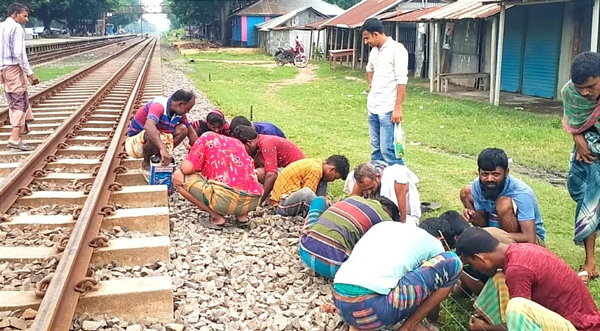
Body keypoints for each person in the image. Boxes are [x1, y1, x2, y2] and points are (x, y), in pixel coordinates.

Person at [456, 227, 600, 331]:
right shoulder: (520, 250)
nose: (475, 269)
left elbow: (520, 318)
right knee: (500, 278)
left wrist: (487, 328)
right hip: (570, 319)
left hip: (580, 327)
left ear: (480, 257)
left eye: (472, 264)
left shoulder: (517, 269)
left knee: (517, 306)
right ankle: (485, 316)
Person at [333, 221, 463, 331]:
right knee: (453, 262)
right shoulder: (434, 245)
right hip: (374, 309)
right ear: (440, 238)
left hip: (340, 302)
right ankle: (408, 327)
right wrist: (433, 317)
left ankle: (358, 325)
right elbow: (435, 284)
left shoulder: (386, 226)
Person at [561, 52, 600, 284]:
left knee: (591, 197)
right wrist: (579, 138)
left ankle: (590, 262)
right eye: (581, 87)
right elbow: (574, 121)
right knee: (584, 193)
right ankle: (590, 259)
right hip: (587, 154)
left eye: (591, 86)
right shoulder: (570, 92)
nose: (585, 92)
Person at [172, 132, 263, 229]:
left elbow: (186, 169)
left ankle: (217, 217)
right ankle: (242, 217)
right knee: (242, 177)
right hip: (251, 201)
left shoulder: (205, 139)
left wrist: (191, 155)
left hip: (224, 200)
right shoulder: (237, 142)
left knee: (177, 176)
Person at [459, 148, 546, 245]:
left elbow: (529, 239)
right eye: (485, 174)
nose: (489, 179)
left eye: (495, 174)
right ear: (479, 172)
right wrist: (474, 217)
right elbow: (483, 224)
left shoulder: (522, 193)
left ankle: (504, 250)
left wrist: (488, 235)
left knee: (503, 203)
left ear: (506, 172)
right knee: (466, 192)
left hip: (531, 242)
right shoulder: (478, 186)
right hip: (498, 233)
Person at [300, 195, 399, 278]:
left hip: (305, 251)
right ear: (389, 213)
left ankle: (314, 235)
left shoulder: (353, 199)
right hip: (337, 268)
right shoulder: (386, 219)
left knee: (320, 200)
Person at [361, 18, 408, 166]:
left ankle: (403, 180)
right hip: (373, 106)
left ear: (376, 34)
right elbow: (369, 68)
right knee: (376, 149)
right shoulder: (374, 52)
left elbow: (402, 80)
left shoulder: (397, 49)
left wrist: (398, 107)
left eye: (367, 38)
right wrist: (371, 84)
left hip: (388, 108)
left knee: (388, 149)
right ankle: (379, 180)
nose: (366, 42)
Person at [125, 89, 198, 179]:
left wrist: (200, 151)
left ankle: (159, 157)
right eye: (188, 109)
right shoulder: (158, 106)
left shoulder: (179, 112)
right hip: (135, 144)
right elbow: (149, 126)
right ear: (180, 105)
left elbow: (190, 131)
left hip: (154, 139)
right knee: (153, 132)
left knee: (183, 129)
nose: (188, 112)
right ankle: (146, 164)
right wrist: (162, 147)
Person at [0, 3, 39, 151]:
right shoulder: (16, 28)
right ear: (15, 14)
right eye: (24, 15)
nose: (26, 19)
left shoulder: (1, 26)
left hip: (4, 70)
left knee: (13, 101)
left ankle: (18, 136)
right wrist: (30, 73)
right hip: (14, 69)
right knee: (20, 103)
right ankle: (15, 138)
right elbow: (19, 53)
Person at [230, 125, 304, 204]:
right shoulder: (261, 141)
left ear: (249, 143)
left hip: (298, 172)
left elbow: (272, 174)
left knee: (258, 173)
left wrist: (259, 201)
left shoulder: (266, 143)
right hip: (290, 168)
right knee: (256, 161)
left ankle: (262, 197)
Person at [344, 161, 421, 225]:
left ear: (378, 177)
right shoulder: (361, 183)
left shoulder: (396, 181)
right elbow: (352, 206)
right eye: (364, 190)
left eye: (371, 188)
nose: (368, 192)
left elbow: (402, 218)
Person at [271, 156, 349, 217]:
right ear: (332, 169)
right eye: (335, 178)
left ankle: (324, 209)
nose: (332, 181)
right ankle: (327, 215)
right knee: (307, 193)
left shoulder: (317, 164)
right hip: (280, 205)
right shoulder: (315, 170)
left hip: (287, 199)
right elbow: (309, 196)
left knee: (323, 181)